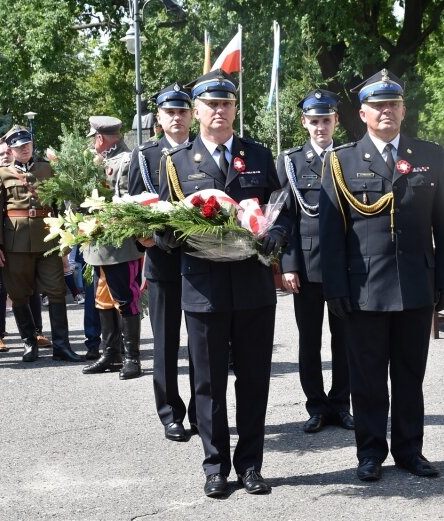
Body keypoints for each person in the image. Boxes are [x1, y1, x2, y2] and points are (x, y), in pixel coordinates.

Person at [319, 69, 444, 482]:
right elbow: (331, 233)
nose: (386, 112)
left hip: (416, 284)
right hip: (364, 290)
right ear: (362, 113)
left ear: (403, 109)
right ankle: (370, 452)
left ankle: (410, 451)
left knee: (410, 375)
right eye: (377, 106)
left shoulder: (428, 156)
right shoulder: (341, 160)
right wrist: (335, 289)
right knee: (367, 378)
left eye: (392, 105)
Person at [158, 69, 289, 497]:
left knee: (254, 379)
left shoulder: (258, 154)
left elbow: (280, 208)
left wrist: (274, 234)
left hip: (252, 284)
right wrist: (165, 232)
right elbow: (163, 224)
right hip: (204, 287)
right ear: (196, 111)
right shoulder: (176, 163)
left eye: (226, 103)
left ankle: (250, 464)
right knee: (209, 383)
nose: (219, 110)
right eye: (211, 104)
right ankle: (215, 467)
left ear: (235, 109)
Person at [277, 89, 353, 434]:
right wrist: (288, 264)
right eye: (314, 121)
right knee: (309, 340)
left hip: (345, 266)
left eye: (326, 120)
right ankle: (316, 406)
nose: (320, 126)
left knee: (346, 339)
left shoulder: (351, 157)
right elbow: (285, 216)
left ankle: (341, 404)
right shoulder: (290, 162)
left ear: (336, 120)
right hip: (306, 267)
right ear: (304, 123)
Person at [128, 83, 196, 442]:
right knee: (166, 343)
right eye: (170, 112)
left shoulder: (203, 151)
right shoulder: (145, 155)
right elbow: (132, 206)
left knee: (203, 343)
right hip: (162, 259)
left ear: (191, 115)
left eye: (182, 111)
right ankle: (171, 413)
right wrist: (142, 237)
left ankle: (203, 411)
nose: (177, 117)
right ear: (158, 118)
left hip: (202, 259)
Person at [0, 126, 83, 363]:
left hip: (47, 239)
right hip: (15, 242)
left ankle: (62, 345)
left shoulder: (47, 169)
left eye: (27, 145)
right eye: (19, 147)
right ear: (10, 149)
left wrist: (64, 235)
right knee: (19, 293)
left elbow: (59, 205)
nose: (24, 149)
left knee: (56, 291)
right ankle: (29, 342)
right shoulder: (1, 173)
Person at [80, 116, 145, 380]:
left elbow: (130, 200)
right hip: (98, 243)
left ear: (99, 138)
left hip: (121, 244)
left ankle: (132, 358)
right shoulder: (97, 161)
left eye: (92, 139)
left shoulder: (127, 160)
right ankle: (111, 353)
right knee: (102, 298)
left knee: (126, 298)